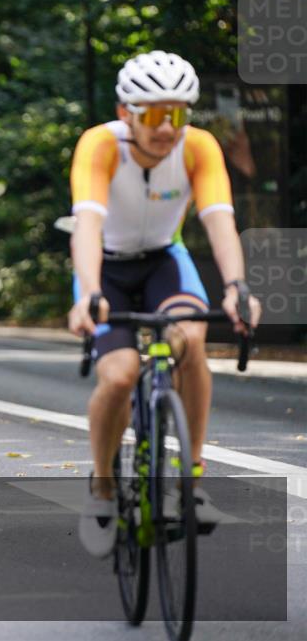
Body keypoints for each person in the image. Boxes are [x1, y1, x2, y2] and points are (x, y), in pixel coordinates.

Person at [66, 51, 262, 557]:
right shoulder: (100, 145)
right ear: (125, 111)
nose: (166, 128)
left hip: (162, 263)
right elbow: (86, 222)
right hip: (107, 267)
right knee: (119, 374)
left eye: (177, 114)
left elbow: (219, 220)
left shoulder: (199, 147)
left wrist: (236, 286)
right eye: (153, 114)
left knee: (191, 337)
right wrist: (88, 292)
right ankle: (103, 489)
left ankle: (191, 484)